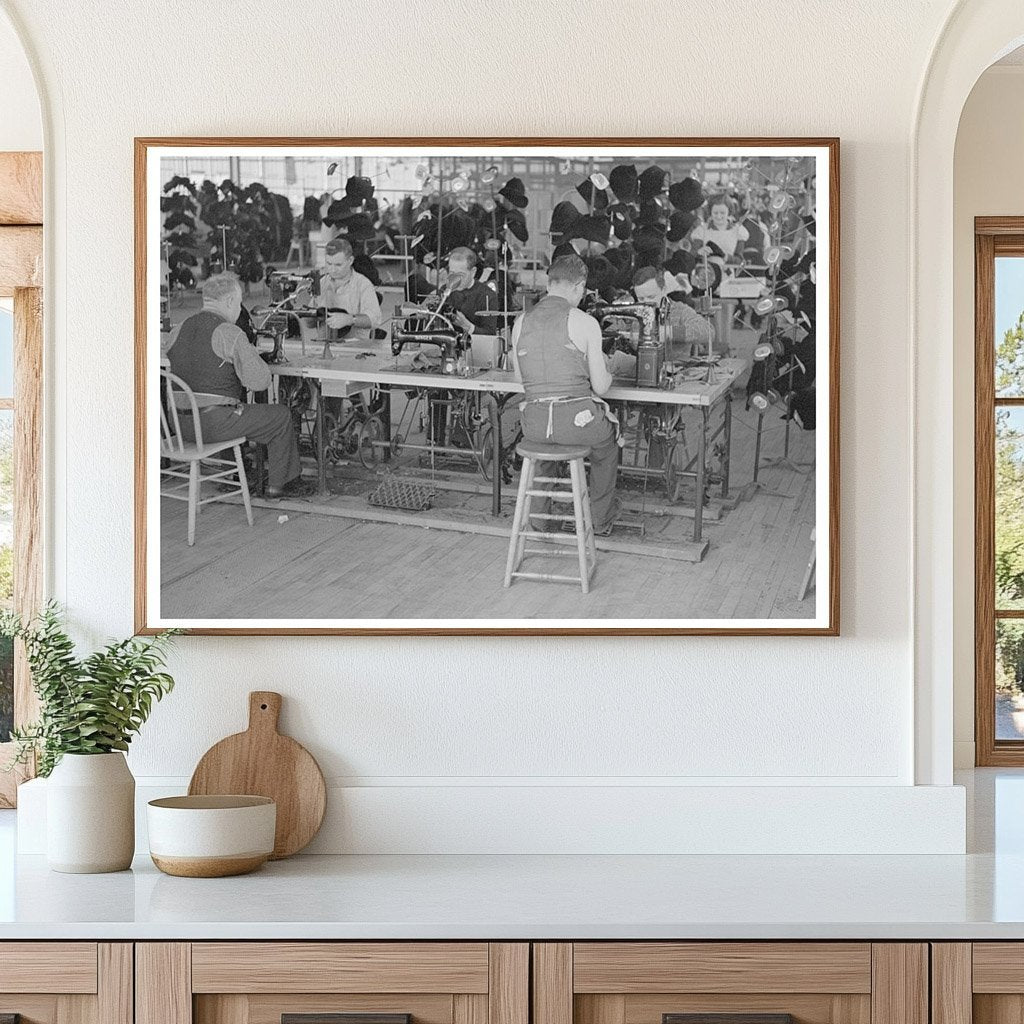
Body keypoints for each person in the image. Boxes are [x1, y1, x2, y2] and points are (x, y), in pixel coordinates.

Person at [166, 273, 308, 498]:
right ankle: (279, 485)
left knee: (223, 404)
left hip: (178, 424)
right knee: (280, 416)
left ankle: (233, 475)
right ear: (231, 302)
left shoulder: (178, 329)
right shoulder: (228, 332)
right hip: (212, 426)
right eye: (239, 302)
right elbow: (260, 382)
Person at [510, 254, 622, 536]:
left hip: (534, 424)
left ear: (550, 284)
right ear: (578, 286)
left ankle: (540, 521)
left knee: (547, 452)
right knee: (607, 446)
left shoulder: (520, 322)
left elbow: (520, 379)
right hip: (577, 423)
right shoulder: (584, 322)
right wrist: (612, 366)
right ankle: (598, 521)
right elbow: (601, 387)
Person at [632, 266, 722, 358]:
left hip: (675, 369)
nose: (646, 303)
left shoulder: (680, 311)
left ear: (664, 290)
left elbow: (708, 331)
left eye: (651, 297)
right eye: (641, 298)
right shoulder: (635, 314)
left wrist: (669, 332)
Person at [317, 237, 381, 339]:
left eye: (338, 265)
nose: (332, 270)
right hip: (324, 344)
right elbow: (309, 323)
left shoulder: (363, 284)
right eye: (329, 264)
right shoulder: (322, 282)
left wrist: (350, 319)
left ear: (350, 260)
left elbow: (375, 320)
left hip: (354, 348)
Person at [437, 246, 498, 332]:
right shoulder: (445, 291)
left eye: (461, 274)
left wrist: (467, 326)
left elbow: (490, 334)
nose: (455, 279)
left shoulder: (487, 296)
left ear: (473, 272)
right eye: (452, 273)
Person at [690, 195, 749, 260]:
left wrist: (725, 257)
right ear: (710, 212)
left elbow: (739, 260)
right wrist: (699, 253)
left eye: (722, 213)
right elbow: (692, 255)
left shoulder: (738, 230)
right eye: (715, 213)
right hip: (708, 268)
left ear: (729, 212)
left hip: (728, 268)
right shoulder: (702, 230)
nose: (719, 216)